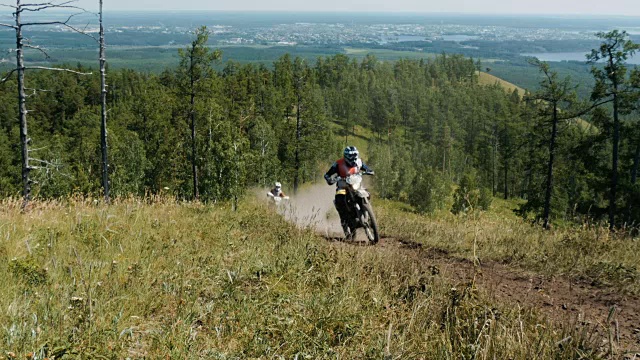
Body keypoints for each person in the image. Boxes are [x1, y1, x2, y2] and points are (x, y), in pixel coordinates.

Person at [324, 146, 373, 237]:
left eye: (355, 155)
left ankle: (368, 213)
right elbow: (327, 175)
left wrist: (369, 171)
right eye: (351, 155)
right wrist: (330, 179)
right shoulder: (338, 164)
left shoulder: (359, 162)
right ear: (346, 156)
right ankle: (345, 224)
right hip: (343, 187)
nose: (353, 157)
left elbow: (366, 168)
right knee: (340, 200)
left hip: (356, 186)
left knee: (367, 193)